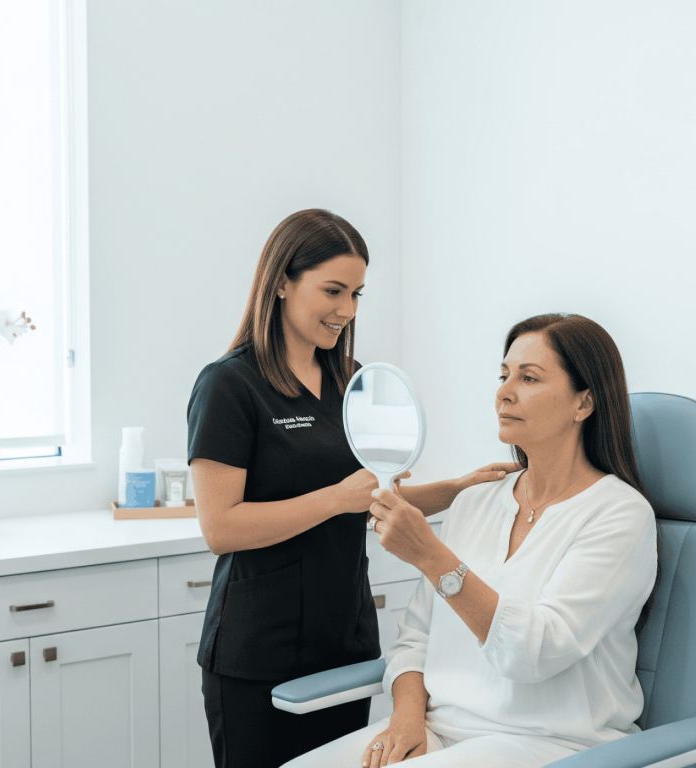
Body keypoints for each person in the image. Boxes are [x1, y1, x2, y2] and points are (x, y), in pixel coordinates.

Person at [186, 208, 521, 768]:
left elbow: (374, 497)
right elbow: (221, 528)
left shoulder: (351, 378)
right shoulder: (229, 385)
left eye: (358, 294)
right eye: (333, 290)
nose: (347, 310)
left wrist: (461, 489)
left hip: (344, 640)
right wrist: (336, 499)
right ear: (281, 284)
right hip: (258, 651)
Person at [281, 312, 661, 768]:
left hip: (550, 745)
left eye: (530, 377)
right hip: (439, 731)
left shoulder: (619, 515)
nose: (504, 391)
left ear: (583, 403)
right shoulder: (475, 502)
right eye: (504, 375)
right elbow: (415, 641)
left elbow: (534, 653)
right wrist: (406, 719)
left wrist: (430, 555)